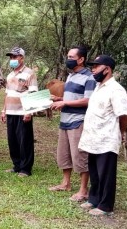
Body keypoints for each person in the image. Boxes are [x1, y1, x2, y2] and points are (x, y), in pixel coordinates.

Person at [78, 55, 127, 216]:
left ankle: (105, 206)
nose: (93, 70)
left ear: (107, 69)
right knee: (94, 172)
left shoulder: (116, 90)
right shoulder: (98, 86)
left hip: (106, 138)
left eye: (96, 66)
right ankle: (94, 199)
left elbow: (124, 115)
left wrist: (120, 131)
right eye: (92, 66)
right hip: (93, 137)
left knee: (106, 174)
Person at [48, 46, 97, 202]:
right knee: (64, 154)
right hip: (64, 120)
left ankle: (83, 190)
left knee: (80, 156)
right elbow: (70, 97)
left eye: (71, 57)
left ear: (81, 59)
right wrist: (58, 100)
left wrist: (64, 103)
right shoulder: (71, 76)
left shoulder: (89, 77)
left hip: (78, 121)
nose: (68, 59)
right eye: (67, 56)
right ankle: (66, 183)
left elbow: (88, 100)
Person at [0, 47, 38, 177]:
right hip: (10, 111)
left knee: (24, 140)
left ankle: (25, 168)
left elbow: (33, 93)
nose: (12, 60)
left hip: (22, 112)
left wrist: (28, 112)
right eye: (11, 57)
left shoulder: (29, 73)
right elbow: (7, 94)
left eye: (15, 57)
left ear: (22, 57)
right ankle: (16, 165)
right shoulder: (10, 75)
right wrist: (3, 110)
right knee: (13, 140)